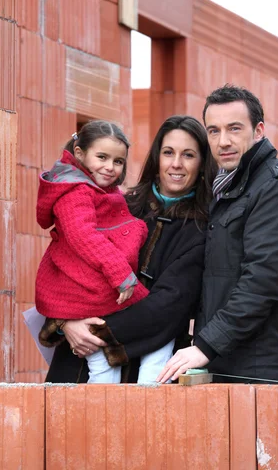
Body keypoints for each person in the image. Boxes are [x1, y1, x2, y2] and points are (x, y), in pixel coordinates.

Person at [157, 84, 278, 385]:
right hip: (229, 364)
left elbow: (262, 283)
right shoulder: (227, 190)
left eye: (234, 129)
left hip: (267, 371)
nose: (223, 141)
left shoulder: (275, 189)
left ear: (258, 131)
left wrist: (205, 345)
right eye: (214, 131)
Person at [44, 115, 212, 384]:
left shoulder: (204, 227)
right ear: (157, 157)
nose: (176, 163)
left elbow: (170, 304)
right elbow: (65, 260)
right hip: (79, 360)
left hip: (149, 362)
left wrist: (96, 332)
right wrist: (65, 323)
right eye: (168, 152)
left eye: (188, 155)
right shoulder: (118, 203)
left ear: (202, 163)